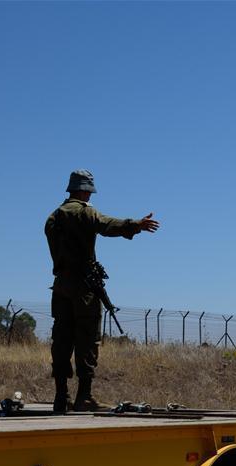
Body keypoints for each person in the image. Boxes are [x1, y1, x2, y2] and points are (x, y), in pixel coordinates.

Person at [45, 169, 159, 412]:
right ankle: (83, 397)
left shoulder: (52, 218)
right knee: (87, 339)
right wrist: (136, 225)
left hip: (60, 286)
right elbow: (108, 225)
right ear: (86, 190)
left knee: (61, 340)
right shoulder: (86, 213)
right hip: (84, 288)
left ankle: (60, 397)